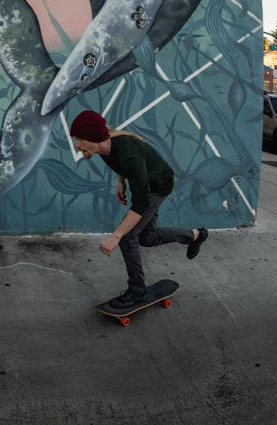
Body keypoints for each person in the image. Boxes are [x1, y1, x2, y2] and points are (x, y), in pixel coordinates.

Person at [70, 110, 207, 310]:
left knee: (128, 237)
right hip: (146, 184)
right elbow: (119, 163)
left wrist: (116, 236)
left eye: (80, 139)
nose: (77, 144)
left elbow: (141, 202)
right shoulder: (104, 148)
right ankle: (196, 235)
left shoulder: (128, 155)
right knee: (147, 238)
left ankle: (136, 291)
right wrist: (121, 183)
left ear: (94, 137)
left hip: (157, 186)